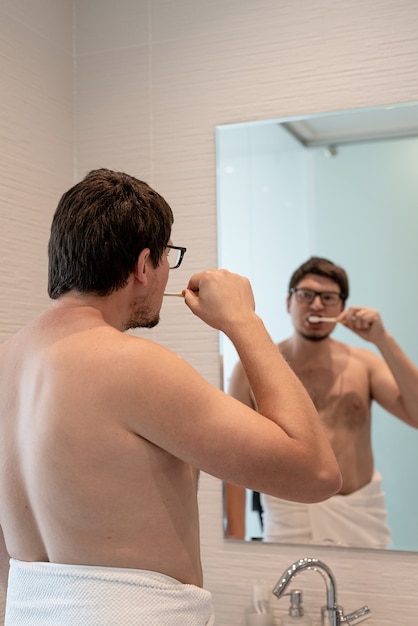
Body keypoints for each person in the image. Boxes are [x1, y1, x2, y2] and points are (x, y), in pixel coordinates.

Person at [0, 171, 341, 626]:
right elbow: (315, 472)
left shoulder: (7, 363)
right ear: (144, 264)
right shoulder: (133, 365)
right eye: (168, 259)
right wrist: (243, 321)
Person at [227, 256, 418, 548]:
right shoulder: (252, 367)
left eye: (328, 298)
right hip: (288, 520)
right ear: (288, 303)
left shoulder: (365, 364)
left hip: (359, 517)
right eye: (306, 295)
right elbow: (234, 457)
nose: (316, 305)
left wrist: (382, 339)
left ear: (341, 308)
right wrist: (236, 539)